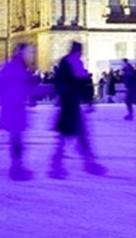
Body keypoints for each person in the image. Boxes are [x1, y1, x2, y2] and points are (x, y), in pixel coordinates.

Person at [50, 41, 106, 179]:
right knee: (75, 135)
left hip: (68, 103)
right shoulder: (74, 62)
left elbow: (61, 82)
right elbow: (81, 83)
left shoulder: (65, 62)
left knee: (68, 136)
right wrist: (88, 101)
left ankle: (59, 164)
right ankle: (84, 162)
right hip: (71, 104)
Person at [0, 43, 37, 180]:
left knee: (17, 139)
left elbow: (24, 86)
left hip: (15, 108)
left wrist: (32, 96)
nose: (32, 56)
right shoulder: (14, 67)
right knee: (16, 140)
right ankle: (16, 170)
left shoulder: (18, 67)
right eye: (29, 53)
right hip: (13, 108)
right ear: (21, 53)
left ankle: (17, 168)